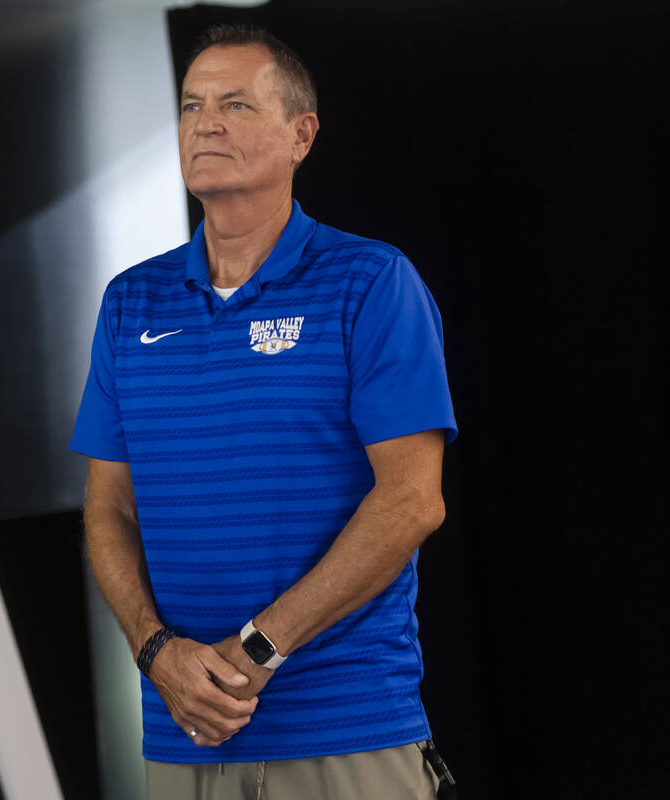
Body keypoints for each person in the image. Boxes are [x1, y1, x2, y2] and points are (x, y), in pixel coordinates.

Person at [69, 22, 458, 800]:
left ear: (301, 135)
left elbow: (413, 501)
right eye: (190, 105)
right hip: (184, 730)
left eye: (236, 103)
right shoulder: (128, 303)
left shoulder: (371, 283)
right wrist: (157, 655)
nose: (205, 122)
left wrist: (255, 652)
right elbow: (107, 508)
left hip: (343, 726)